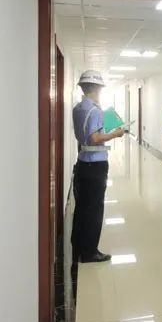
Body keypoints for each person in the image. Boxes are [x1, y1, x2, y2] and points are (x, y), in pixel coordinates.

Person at [71, 70, 125, 263]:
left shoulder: (78, 108)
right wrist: (115, 134)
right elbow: (94, 138)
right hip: (96, 165)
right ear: (97, 87)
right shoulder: (95, 110)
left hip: (82, 162)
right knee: (94, 209)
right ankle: (90, 252)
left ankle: (77, 247)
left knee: (82, 207)